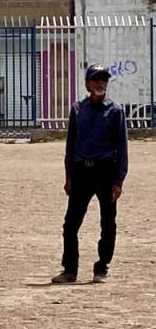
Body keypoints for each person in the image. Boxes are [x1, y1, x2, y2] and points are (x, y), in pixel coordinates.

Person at [50, 64, 128, 284]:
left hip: (106, 172)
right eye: (95, 79)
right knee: (71, 224)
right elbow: (70, 145)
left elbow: (122, 148)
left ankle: (101, 267)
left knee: (108, 223)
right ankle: (70, 270)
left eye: (103, 79)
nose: (100, 83)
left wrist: (118, 180)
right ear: (87, 84)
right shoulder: (77, 110)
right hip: (81, 172)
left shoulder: (115, 112)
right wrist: (69, 176)